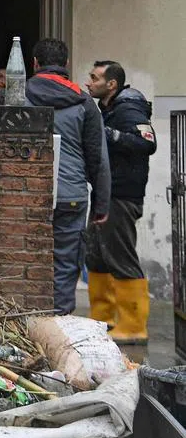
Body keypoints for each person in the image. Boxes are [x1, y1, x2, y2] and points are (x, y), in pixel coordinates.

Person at [0, 38, 110, 315]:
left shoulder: (18, 93)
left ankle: (27, 322)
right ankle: (60, 321)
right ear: (66, 64)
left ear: (34, 63)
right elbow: (98, 158)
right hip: (71, 196)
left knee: (23, 257)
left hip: (24, 195)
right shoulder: (84, 102)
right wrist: (102, 204)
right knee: (65, 264)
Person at [84, 60, 156, 344]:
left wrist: (108, 135)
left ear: (111, 84)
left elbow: (146, 143)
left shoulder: (128, 109)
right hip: (107, 193)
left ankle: (133, 324)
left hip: (122, 196)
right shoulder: (109, 109)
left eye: (94, 78)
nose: (89, 82)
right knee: (97, 256)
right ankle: (104, 318)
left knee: (121, 256)